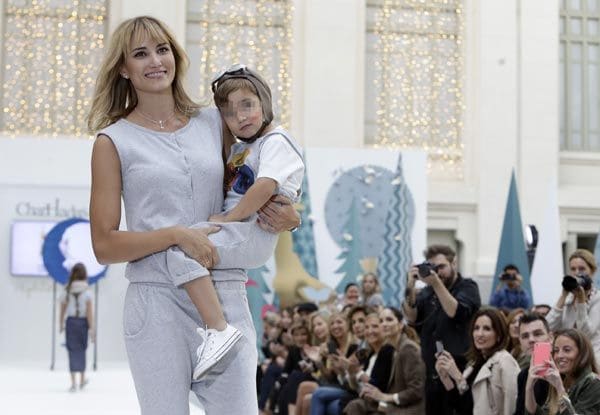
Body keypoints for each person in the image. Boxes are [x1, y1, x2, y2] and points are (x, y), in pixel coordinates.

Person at [87, 16, 298, 414]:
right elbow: (104, 245)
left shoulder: (214, 122)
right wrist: (175, 235)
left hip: (227, 296)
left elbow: (254, 180)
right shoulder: (112, 142)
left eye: (162, 49)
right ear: (123, 68)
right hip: (157, 306)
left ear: (175, 56)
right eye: (140, 53)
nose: (155, 61)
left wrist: (292, 216)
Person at [402, 244, 481, 415]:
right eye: (432, 267)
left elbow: (456, 311)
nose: (437, 272)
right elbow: (411, 316)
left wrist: (436, 283)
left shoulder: (468, 287)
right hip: (432, 371)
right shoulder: (427, 292)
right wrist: (410, 285)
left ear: (454, 263)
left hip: (460, 371)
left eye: (441, 267)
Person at [435, 307, 520, 415]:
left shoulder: (504, 361)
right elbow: (462, 406)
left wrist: (457, 375)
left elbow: (513, 404)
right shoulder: (474, 364)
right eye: (476, 328)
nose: (479, 334)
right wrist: (445, 377)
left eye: (487, 329)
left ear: (498, 334)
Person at [344, 307, 425, 415]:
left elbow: (416, 391)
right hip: (393, 405)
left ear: (400, 324)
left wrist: (384, 397)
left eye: (389, 320)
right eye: (381, 321)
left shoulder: (408, 348)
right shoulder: (395, 348)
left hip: (409, 409)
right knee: (355, 405)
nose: (384, 324)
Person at [525, 328, 600, 414]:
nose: (559, 355)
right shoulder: (561, 380)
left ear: (582, 354)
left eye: (567, 350)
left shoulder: (594, 384)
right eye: (556, 351)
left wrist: (560, 388)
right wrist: (529, 388)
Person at [545, 249, 600, 363]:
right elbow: (547, 328)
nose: (577, 273)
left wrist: (581, 302)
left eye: (582, 269)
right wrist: (563, 296)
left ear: (593, 271)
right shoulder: (568, 299)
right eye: (573, 269)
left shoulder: (597, 298)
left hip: (592, 359)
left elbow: (585, 333)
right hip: (567, 359)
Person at [59, 263, 94, 392]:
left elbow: (62, 309)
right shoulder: (87, 291)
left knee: (71, 350)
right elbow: (89, 313)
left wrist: (60, 323)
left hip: (71, 322)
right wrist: (92, 329)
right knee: (82, 349)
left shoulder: (67, 289)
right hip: (82, 323)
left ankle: (73, 382)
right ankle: (82, 379)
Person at [514, 312, 552, 415]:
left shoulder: (564, 371)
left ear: (550, 337)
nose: (531, 340)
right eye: (525, 336)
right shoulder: (523, 375)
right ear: (520, 342)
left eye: (537, 334)